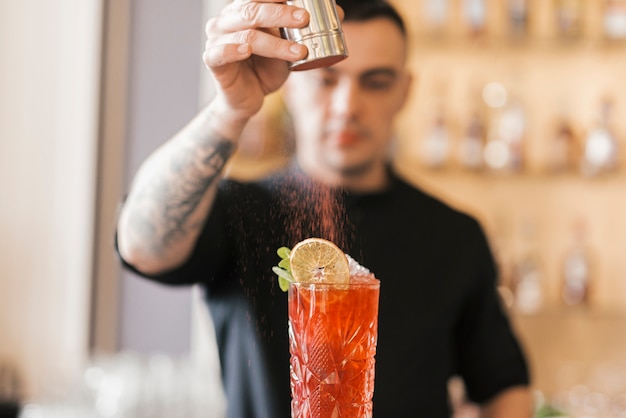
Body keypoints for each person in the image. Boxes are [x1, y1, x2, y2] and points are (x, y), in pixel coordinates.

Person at [116, 0, 533, 416]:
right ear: (292, 85)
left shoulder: (453, 235)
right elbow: (142, 246)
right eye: (326, 79)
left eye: (376, 81)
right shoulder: (238, 210)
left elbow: (504, 386)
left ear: (405, 91)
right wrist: (230, 110)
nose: (348, 105)